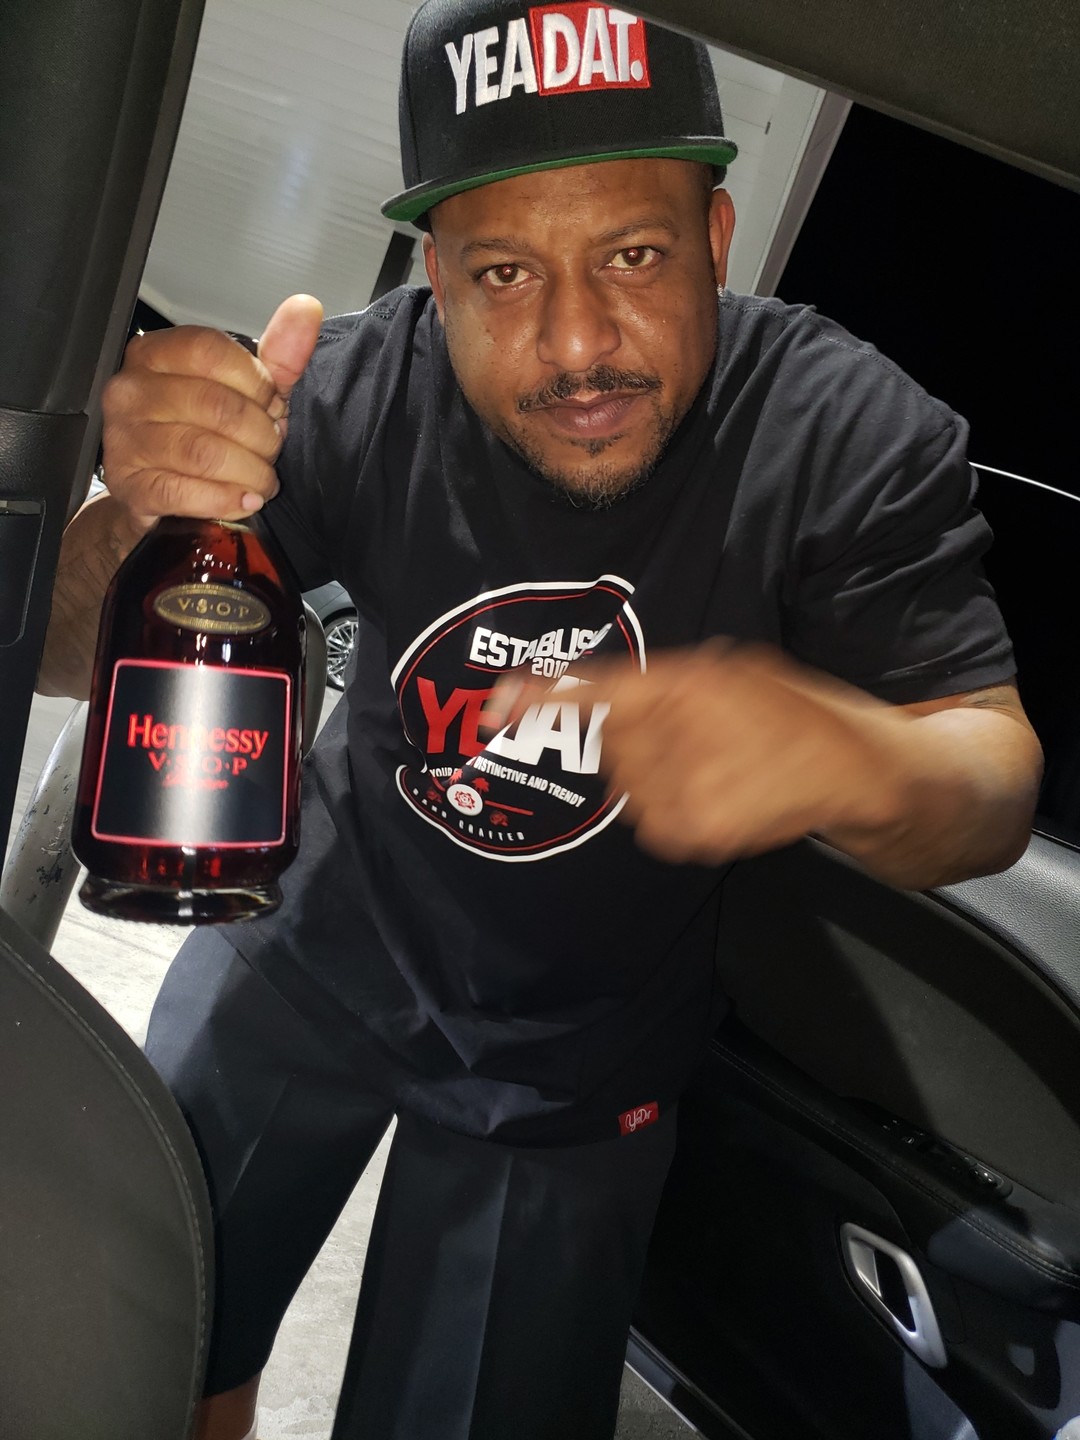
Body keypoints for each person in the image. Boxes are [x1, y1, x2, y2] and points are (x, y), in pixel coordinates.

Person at [38, 1, 1042, 1435]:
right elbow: (60, 655)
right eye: (504, 271)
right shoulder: (358, 387)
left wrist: (855, 758)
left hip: (581, 1057)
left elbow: (991, 779)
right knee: (156, 1348)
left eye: (633, 254)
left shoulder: (840, 435)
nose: (577, 342)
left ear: (716, 235)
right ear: (436, 277)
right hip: (308, 957)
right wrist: (141, 520)